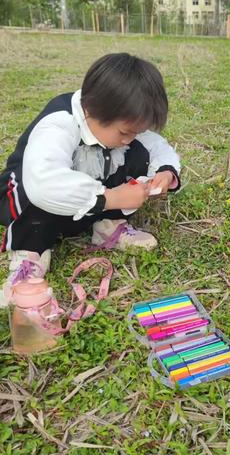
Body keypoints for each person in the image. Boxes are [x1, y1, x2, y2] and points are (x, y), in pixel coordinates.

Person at [0, 52, 180, 294]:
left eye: (137, 131)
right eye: (125, 132)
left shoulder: (118, 123)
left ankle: (107, 225)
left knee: (137, 152)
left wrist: (165, 173)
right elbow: (44, 184)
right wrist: (112, 197)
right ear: (91, 109)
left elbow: (156, 145)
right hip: (31, 201)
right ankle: (29, 253)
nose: (130, 138)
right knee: (34, 185)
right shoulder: (59, 124)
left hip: (85, 205)